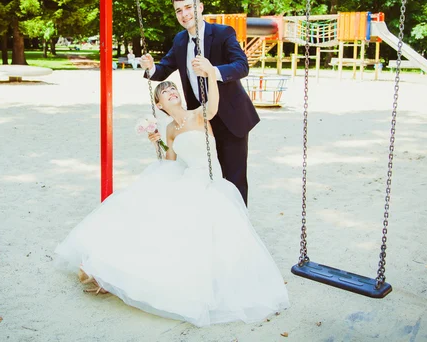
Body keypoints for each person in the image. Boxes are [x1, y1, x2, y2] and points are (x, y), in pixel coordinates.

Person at [54, 73, 289, 327]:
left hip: (209, 183)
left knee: (195, 228)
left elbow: (213, 104)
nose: (172, 91)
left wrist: (209, 73)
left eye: (173, 88)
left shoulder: (199, 114)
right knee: (153, 215)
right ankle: (110, 272)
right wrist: (157, 144)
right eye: (165, 92)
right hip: (187, 179)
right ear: (159, 105)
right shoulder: (169, 129)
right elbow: (170, 162)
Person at [140, 0, 259, 206]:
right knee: (206, 177)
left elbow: (242, 65)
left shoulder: (223, 33)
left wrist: (212, 71)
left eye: (188, 7)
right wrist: (150, 68)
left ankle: (238, 227)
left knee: (233, 178)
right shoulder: (179, 41)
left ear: (200, 7)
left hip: (231, 118)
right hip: (198, 121)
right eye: (178, 11)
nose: (184, 14)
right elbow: (163, 68)